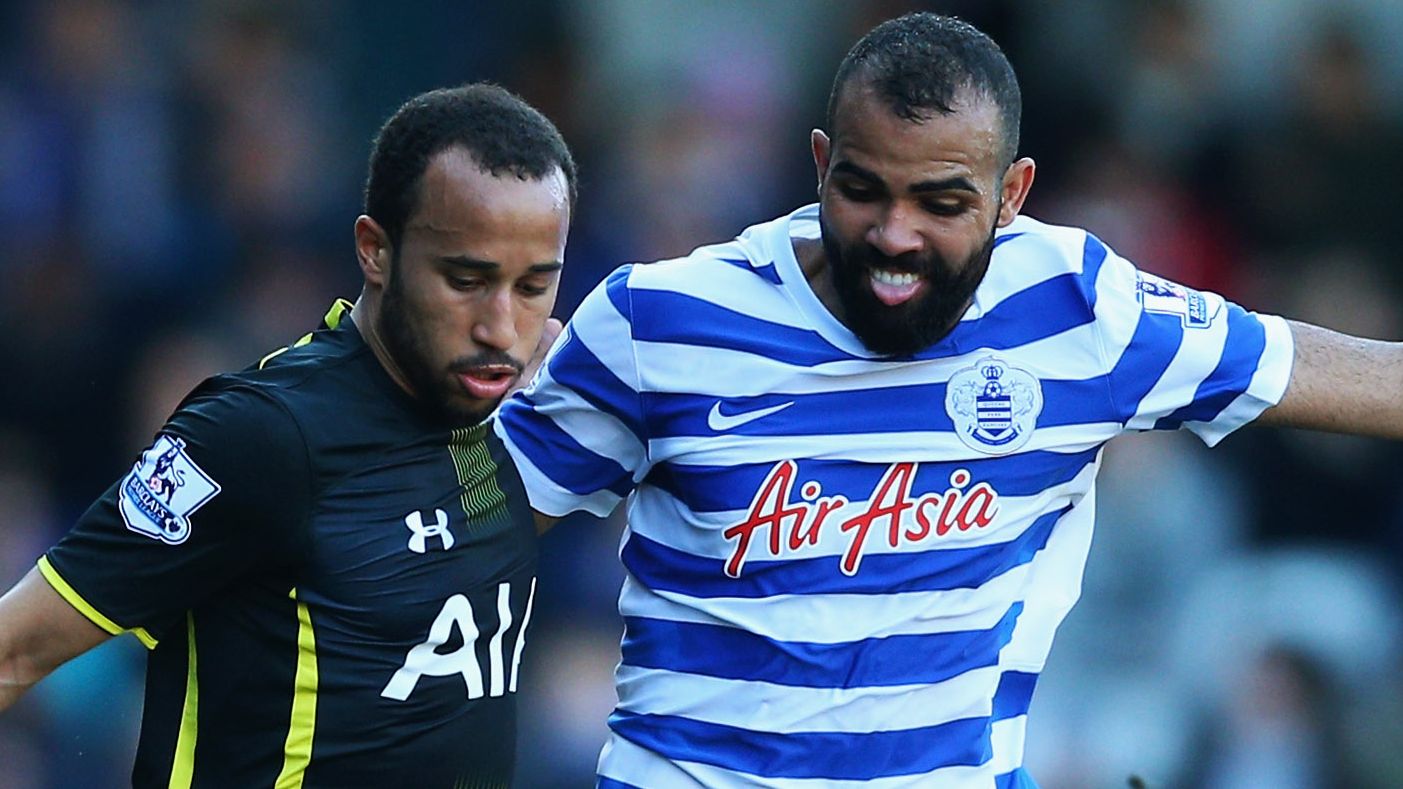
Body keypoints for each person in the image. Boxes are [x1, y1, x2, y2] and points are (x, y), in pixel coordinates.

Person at [494, 12, 1403, 789]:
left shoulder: (1082, 309)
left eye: (940, 202)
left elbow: (1334, 373)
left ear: (1012, 195)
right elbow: (451, 526)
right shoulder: (662, 321)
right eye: (863, 190)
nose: (895, 235)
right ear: (820, 164)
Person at [0, 83, 575, 788]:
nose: (498, 326)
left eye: (531, 287)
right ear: (375, 251)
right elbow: (12, 651)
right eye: (464, 279)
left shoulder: (511, 411)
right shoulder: (262, 437)